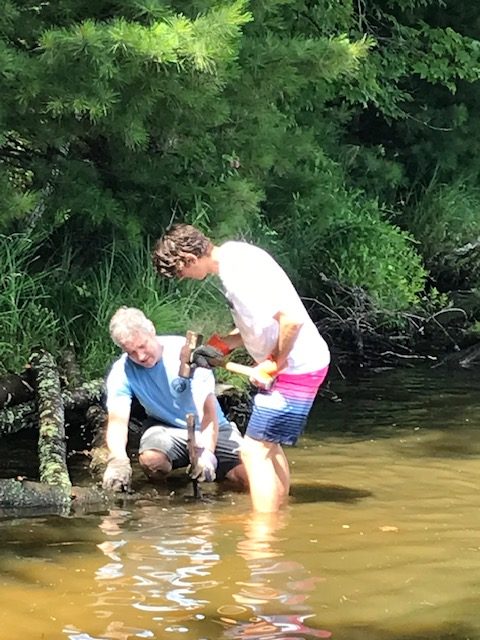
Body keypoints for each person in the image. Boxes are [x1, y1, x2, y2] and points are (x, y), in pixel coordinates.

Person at [152, 224, 330, 513]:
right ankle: (279, 514)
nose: (183, 278)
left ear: (188, 257)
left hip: (297, 369)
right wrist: (223, 345)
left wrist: (274, 363)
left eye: (180, 272)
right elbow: (259, 323)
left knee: (253, 451)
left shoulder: (238, 276)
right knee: (269, 448)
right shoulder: (235, 255)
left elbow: (292, 320)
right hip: (300, 364)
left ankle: (263, 534)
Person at [102, 306, 248, 493]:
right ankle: (165, 496)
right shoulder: (122, 372)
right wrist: (118, 460)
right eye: (131, 352)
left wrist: (207, 454)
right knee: (152, 460)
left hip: (213, 428)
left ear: (152, 331)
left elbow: (208, 412)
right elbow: (117, 421)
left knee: (248, 479)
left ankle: (219, 479)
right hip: (166, 428)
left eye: (142, 346)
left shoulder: (189, 354)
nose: (140, 356)